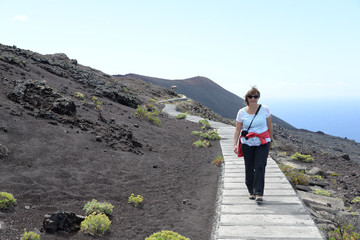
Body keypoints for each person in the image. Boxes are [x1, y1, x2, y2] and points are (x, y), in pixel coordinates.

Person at [233, 87, 273, 202]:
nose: (253, 98)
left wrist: (271, 141)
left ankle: (259, 193)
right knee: (249, 167)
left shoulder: (265, 109)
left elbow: (270, 126)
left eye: (256, 96)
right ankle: (251, 191)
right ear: (247, 98)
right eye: (251, 96)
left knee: (260, 166)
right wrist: (235, 144)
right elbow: (237, 129)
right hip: (247, 143)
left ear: (258, 97)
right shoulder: (241, 112)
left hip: (262, 142)